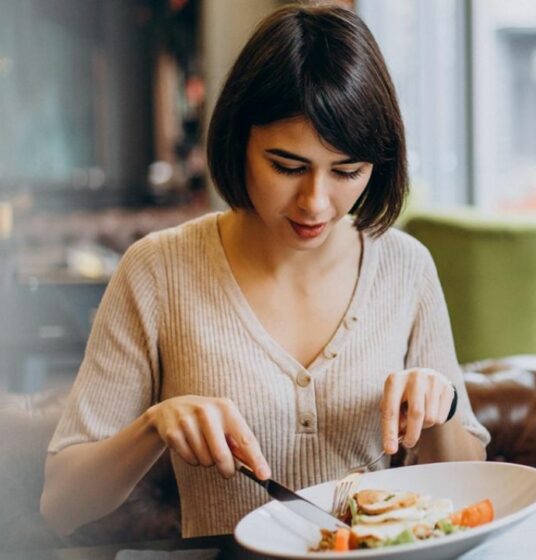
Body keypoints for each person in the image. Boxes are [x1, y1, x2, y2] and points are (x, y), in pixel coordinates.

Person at [40, 4, 489, 539]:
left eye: (348, 171)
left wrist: (444, 406)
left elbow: (475, 488)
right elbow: (61, 503)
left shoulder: (406, 267)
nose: (316, 202)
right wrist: (154, 425)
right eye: (287, 166)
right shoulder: (157, 270)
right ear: (239, 139)